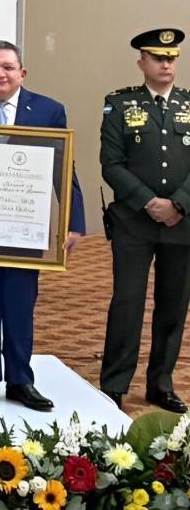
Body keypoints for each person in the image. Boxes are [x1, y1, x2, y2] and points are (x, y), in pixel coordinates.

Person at [0, 40, 85, 412]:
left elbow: (66, 169)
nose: (0, 74)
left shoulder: (48, 110)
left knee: (19, 304)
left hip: (26, 225)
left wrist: (73, 222)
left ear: (22, 73)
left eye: (8, 67)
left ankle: (20, 380)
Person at [99, 28, 190, 413]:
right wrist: (149, 202)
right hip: (134, 222)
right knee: (128, 302)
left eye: (171, 57)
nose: (166, 64)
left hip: (182, 224)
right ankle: (115, 383)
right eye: (157, 57)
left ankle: (161, 384)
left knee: (173, 305)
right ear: (142, 62)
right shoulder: (120, 104)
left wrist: (179, 204)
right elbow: (111, 164)